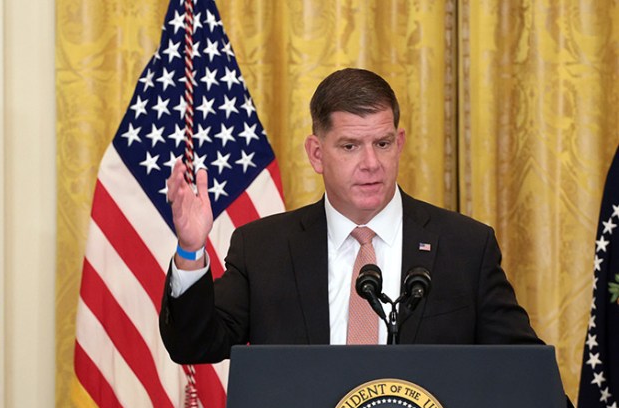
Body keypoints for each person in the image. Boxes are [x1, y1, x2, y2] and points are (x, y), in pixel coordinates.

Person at [159, 67, 542, 364]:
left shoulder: (465, 247)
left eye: (382, 143)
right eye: (350, 146)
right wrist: (191, 251)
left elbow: (522, 365)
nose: (371, 164)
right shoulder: (263, 249)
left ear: (400, 143)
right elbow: (195, 345)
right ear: (316, 153)